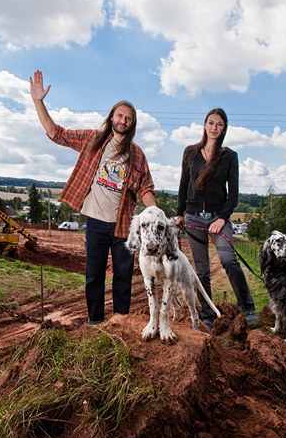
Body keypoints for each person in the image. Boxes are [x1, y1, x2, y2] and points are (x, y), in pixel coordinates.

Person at [29, 69, 156, 325]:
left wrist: (154, 213)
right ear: (111, 117)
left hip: (124, 227)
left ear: (132, 124)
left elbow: (145, 188)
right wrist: (38, 101)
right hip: (96, 223)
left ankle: (121, 323)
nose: (123, 120)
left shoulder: (137, 154)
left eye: (128, 118)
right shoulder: (93, 140)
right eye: (120, 115)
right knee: (94, 276)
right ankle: (95, 322)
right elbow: (56, 133)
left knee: (122, 276)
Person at [175, 108, 260, 329]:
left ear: (224, 128)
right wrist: (178, 213)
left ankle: (248, 307)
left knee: (228, 259)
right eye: (211, 123)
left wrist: (222, 218)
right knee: (201, 270)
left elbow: (233, 194)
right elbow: (183, 185)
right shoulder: (190, 153)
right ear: (204, 125)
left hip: (218, 218)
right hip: (193, 218)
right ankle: (208, 315)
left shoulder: (229, 156)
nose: (214, 127)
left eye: (219, 124)